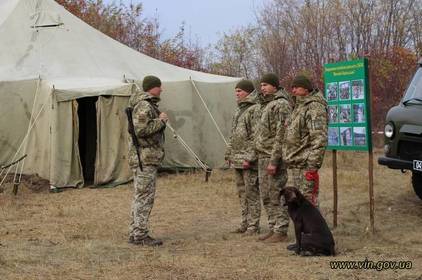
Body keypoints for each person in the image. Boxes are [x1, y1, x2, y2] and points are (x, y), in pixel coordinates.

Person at [127, 75, 168, 246]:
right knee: (145, 197)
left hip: (143, 158)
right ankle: (140, 235)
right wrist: (161, 122)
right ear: (152, 87)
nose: (161, 89)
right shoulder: (144, 105)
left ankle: (135, 231)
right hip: (145, 158)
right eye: (159, 86)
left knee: (140, 196)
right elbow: (141, 130)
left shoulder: (145, 104)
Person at [254, 73, 292, 243]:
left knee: (277, 192)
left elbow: (281, 134)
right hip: (262, 155)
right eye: (261, 85)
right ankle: (272, 226)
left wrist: (274, 160)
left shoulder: (282, 105)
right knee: (266, 194)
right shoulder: (266, 104)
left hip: (273, 156)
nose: (262, 88)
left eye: (266, 85)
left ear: (275, 86)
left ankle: (281, 229)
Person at [284, 75, 328, 207]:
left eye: (297, 87)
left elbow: (319, 138)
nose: (293, 90)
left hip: (306, 165)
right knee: (300, 203)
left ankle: (316, 228)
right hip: (296, 163)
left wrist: (312, 167)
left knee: (308, 204)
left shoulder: (314, 106)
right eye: (292, 88)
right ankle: (306, 228)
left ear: (306, 89)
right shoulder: (299, 106)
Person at [225, 80, 261, 235]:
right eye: (236, 91)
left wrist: (250, 157)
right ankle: (244, 222)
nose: (237, 94)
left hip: (248, 160)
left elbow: (256, 137)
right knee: (242, 192)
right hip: (237, 158)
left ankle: (254, 225)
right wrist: (229, 154)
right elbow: (233, 135)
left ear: (248, 92)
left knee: (251, 192)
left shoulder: (255, 109)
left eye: (239, 91)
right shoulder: (239, 110)